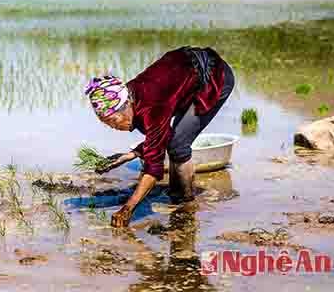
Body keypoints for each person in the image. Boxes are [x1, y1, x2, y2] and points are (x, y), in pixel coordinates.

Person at [84, 46, 235, 227]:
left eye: (114, 120)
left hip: (213, 78)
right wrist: (127, 156)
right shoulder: (133, 97)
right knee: (174, 141)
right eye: (107, 123)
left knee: (179, 145)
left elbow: (153, 170)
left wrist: (128, 208)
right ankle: (176, 195)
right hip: (187, 75)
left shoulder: (150, 106)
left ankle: (186, 203)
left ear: (125, 106)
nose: (113, 127)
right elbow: (159, 136)